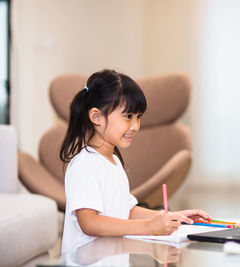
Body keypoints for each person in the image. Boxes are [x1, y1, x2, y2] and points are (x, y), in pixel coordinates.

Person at [60, 69, 210, 253]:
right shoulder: (84, 164)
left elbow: (127, 211)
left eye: (138, 117)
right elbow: (89, 223)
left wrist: (172, 217)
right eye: (128, 116)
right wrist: (149, 227)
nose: (135, 126)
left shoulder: (113, 160)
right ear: (96, 117)